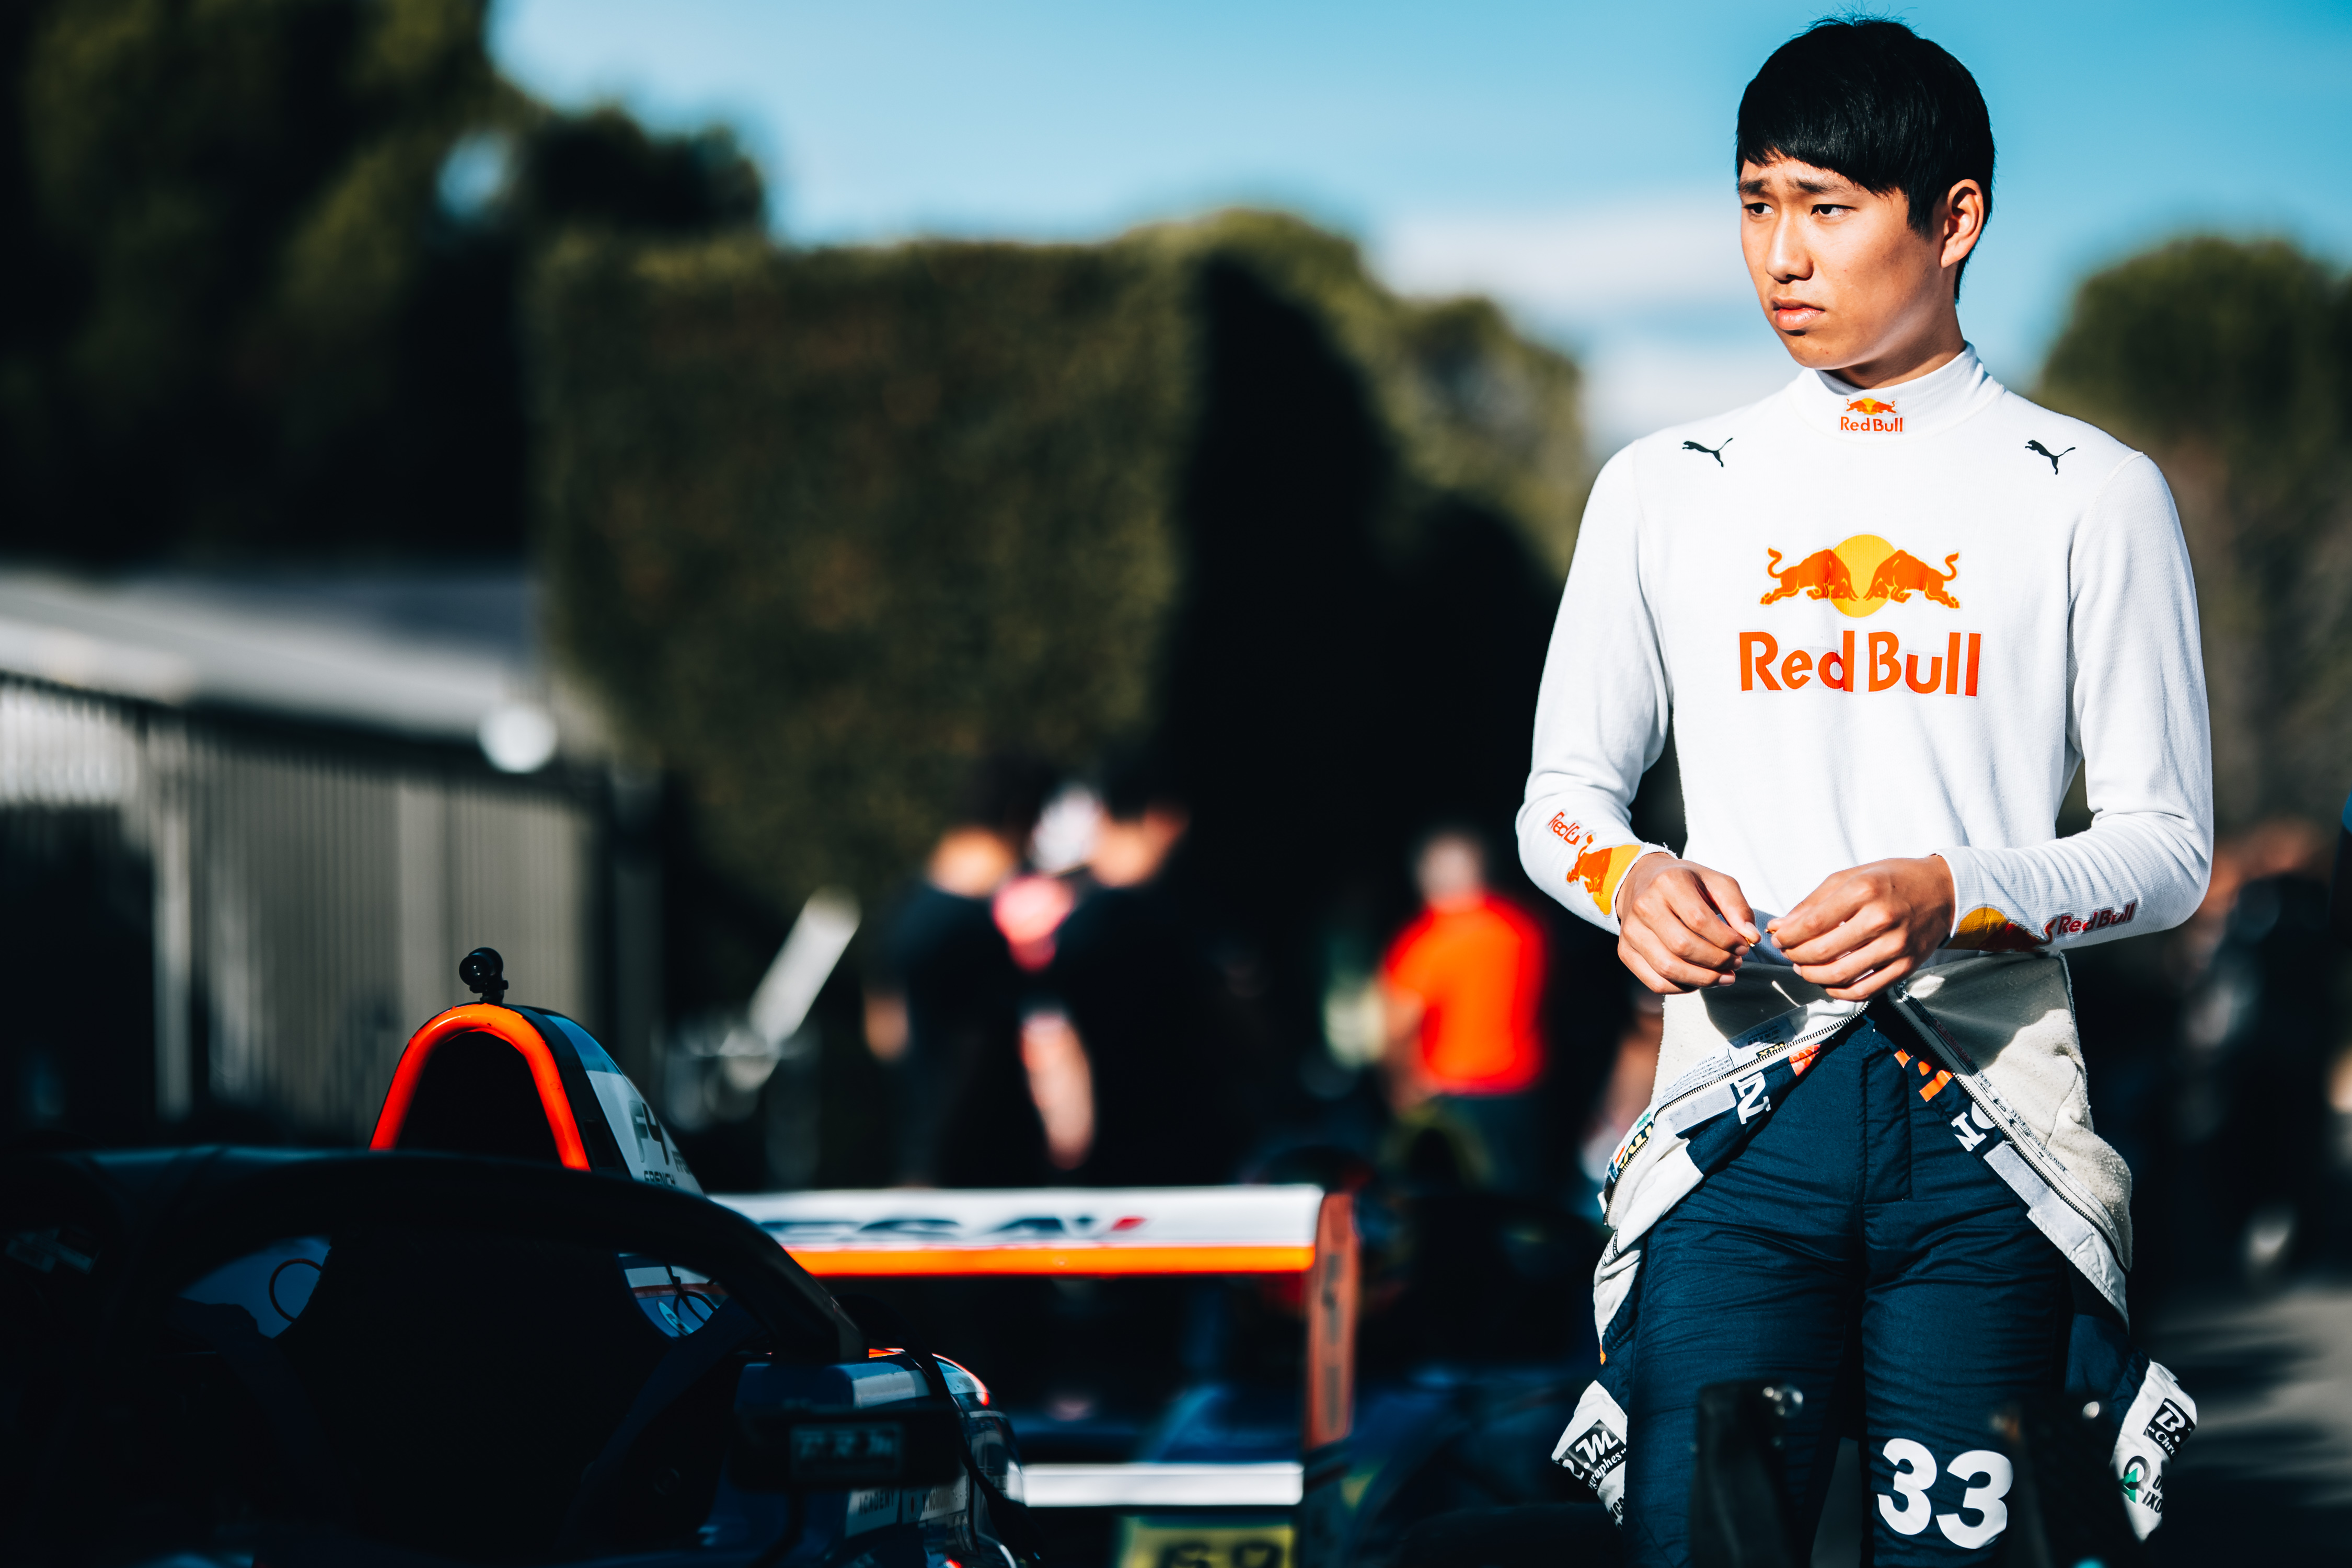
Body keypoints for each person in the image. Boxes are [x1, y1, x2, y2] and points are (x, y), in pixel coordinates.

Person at [1519, 20, 2209, 1561]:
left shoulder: (2093, 488)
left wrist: (1947, 891)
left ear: (1952, 219)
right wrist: (1629, 882)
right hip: (1727, 1132)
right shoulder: (1662, 483)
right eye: (1758, 201)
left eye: (1829, 206)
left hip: (1988, 1136)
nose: (1784, 253)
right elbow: (1563, 793)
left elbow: (2166, 852)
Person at [1024, 754, 1254, 1186]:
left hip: (1099, 1167)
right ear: (1167, 820)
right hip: (1182, 1158)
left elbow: (1051, 1040)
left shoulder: (1070, 926)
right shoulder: (1185, 926)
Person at [865, 755, 1054, 1186]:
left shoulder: (902, 909)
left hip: (923, 1162)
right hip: (985, 1172)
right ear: (1021, 819)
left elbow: (885, 1036)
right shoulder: (986, 929)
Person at [1379, 828, 1551, 1196]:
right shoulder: (1523, 928)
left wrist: (1401, 1089)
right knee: (1521, 1197)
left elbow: (1398, 1027)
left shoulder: (1428, 941)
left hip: (1454, 1095)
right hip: (1523, 1088)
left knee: (1462, 1208)